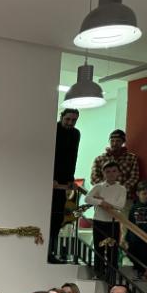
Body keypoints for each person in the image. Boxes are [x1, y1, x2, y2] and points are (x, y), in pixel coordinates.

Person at [86, 161, 128, 282]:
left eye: (114, 171)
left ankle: (112, 274)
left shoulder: (121, 189)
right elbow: (87, 198)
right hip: (99, 221)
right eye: (108, 171)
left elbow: (120, 205)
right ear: (103, 173)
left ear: (118, 173)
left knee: (112, 250)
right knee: (98, 248)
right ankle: (98, 273)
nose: (111, 174)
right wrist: (100, 202)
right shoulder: (98, 187)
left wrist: (104, 201)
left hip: (113, 222)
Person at [50, 108, 81, 263]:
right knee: (46, 217)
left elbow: (73, 156)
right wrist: (51, 177)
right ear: (61, 117)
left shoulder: (76, 133)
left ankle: (51, 253)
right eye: (67, 119)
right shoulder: (52, 129)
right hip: (50, 178)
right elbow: (51, 155)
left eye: (73, 120)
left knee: (57, 219)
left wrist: (70, 179)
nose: (70, 122)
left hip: (63, 181)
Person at [90, 129, 141, 200]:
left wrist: (120, 189)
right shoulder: (99, 159)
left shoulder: (131, 158)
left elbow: (134, 177)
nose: (114, 143)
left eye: (118, 141)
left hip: (124, 198)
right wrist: (107, 188)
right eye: (112, 141)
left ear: (123, 142)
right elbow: (94, 178)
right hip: (103, 197)